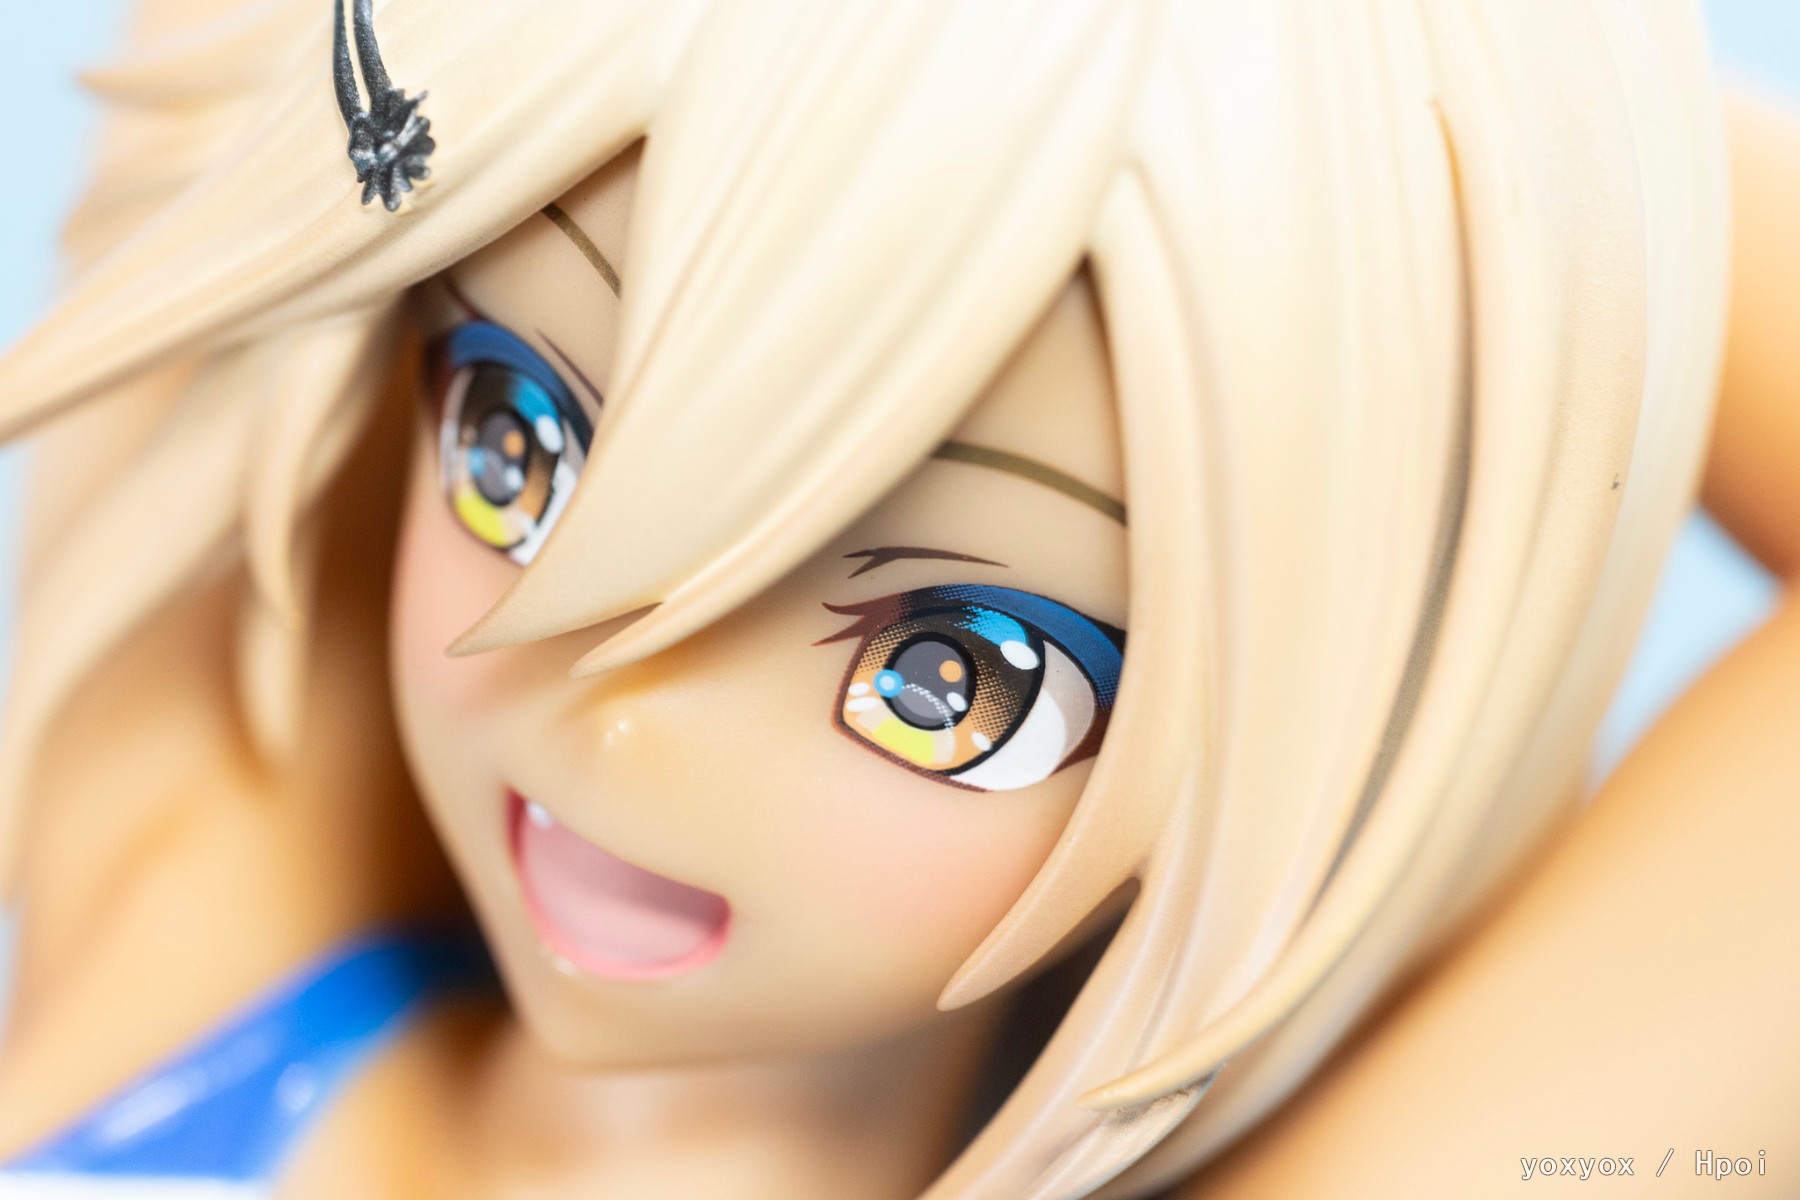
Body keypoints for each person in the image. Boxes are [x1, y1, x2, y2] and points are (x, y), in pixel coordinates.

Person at [0, 0, 1784, 1196]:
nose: (621, 713)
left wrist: (1443, 124)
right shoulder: (205, 894)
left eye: (959, 674)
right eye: (515, 444)